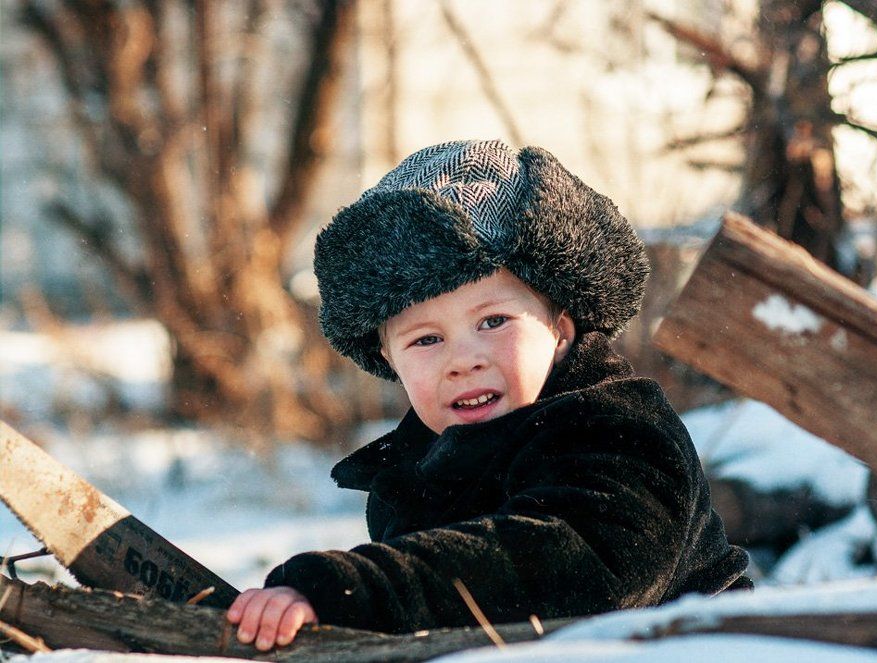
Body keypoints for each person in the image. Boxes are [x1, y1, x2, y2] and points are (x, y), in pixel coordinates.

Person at [226, 140, 751, 650]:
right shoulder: (414, 476)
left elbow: (568, 568)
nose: (464, 359)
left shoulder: (618, 430)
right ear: (389, 359)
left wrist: (352, 589)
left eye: (493, 321)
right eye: (427, 339)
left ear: (561, 329)